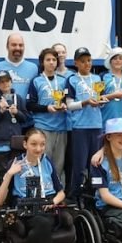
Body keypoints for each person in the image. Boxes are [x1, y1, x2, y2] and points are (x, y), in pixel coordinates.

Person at [0, 128, 67, 243]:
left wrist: (54, 201)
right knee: (40, 226)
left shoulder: (47, 162)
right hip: (25, 210)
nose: (38, 149)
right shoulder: (15, 164)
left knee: (36, 233)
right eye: (34, 144)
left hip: (47, 207)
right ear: (25, 144)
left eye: (42, 144)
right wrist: (9, 174)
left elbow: (61, 193)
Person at [66, 47, 105, 199]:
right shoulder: (72, 80)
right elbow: (69, 105)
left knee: (96, 163)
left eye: (89, 60)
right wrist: (85, 102)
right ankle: (76, 194)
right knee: (80, 164)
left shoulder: (97, 79)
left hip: (96, 125)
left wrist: (100, 102)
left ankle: (95, 192)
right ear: (76, 63)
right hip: (80, 127)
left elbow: (101, 100)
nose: (86, 64)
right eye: (82, 61)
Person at [27, 48, 67, 178]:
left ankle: (56, 192)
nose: (51, 62)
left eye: (54, 60)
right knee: (42, 161)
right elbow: (30, 105)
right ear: (42, 62)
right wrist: (47, 108)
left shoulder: (63, 81)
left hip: (61, 127)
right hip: (43, 127)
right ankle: (42, 193)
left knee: (59, 164)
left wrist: (65, 105)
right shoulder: (36, 81)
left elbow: (67, 100)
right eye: (48, 60)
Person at [0, 70, 28, 190]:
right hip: (0, 143)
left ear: (11, 82)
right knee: (2, 174)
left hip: (16, 143)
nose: (5, 84)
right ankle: (2, 203)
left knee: (17, 172)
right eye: (2, 82)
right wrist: (0, 111)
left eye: (7, 81)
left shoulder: (18, 98)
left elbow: (25, 118)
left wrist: (17, 112)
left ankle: (14, 200)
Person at [0, 33, 38, 133]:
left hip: (27, 121)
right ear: (7, 46)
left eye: (20, 45)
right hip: (4, 121)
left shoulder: (33, 68)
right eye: (14, 45)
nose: (17, 48)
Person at [51, 43, 75, 193]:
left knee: (71, 162)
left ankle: (70, 192)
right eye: (57, 52)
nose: (60, 55)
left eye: (62, 52)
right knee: (55, 162)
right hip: (55, 124)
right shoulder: (47, 75)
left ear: (66, 54)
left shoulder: (73, 75)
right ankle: (54, 191)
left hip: (72, 124)